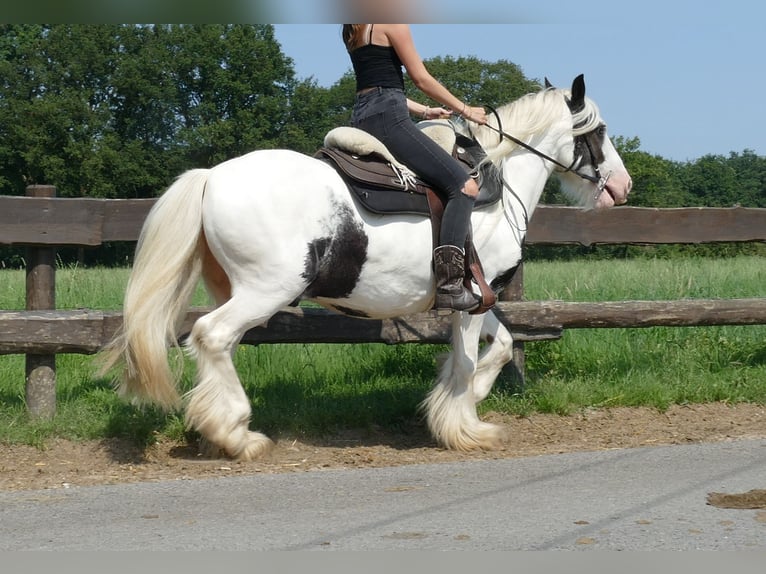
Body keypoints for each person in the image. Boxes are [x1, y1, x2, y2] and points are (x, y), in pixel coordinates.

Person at [342, 24, 488, 312]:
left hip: (363, 116)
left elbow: (377, 83)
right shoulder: (391, 23)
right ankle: (450, 285)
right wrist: (466, 110)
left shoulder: (353, 27)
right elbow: (420, 78)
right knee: (464, 186)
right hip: (389, 120)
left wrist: (424, 111)